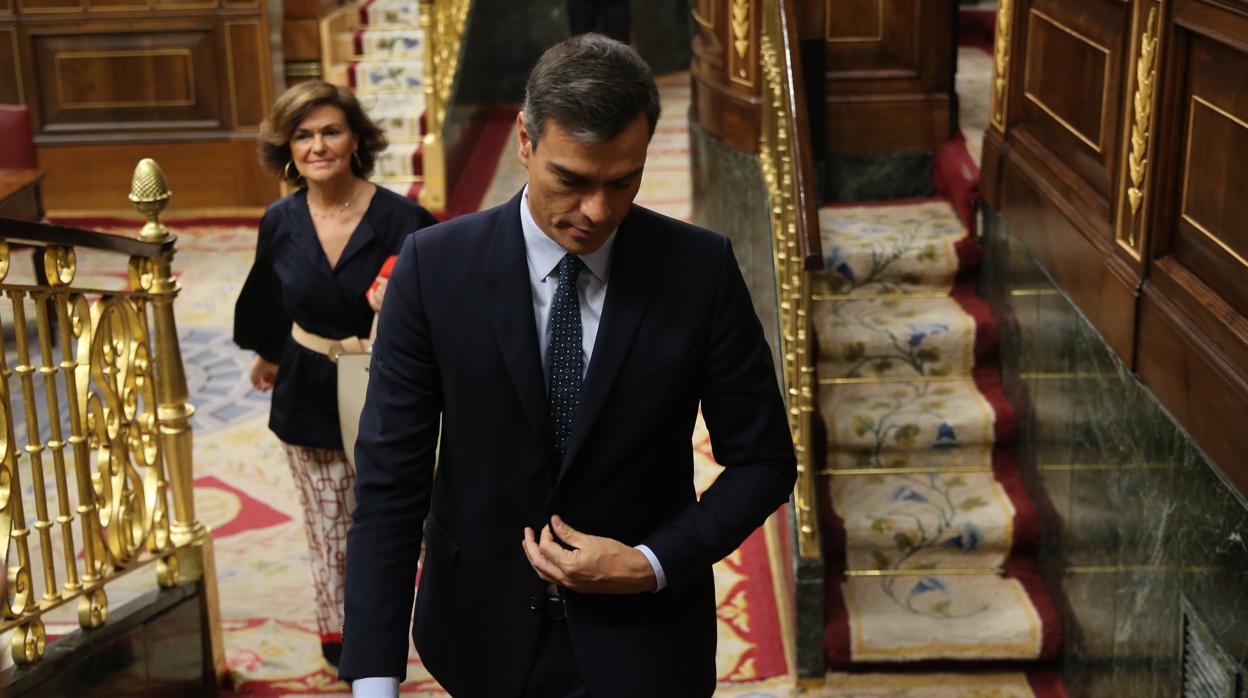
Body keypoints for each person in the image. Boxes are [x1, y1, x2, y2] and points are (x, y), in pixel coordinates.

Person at [341, 35, 796, 698]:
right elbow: (389, 487)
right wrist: (375, 682)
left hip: (648, 645)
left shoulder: (699, 271)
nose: (598, 212)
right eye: (572, 180)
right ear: (525, 140)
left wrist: (651, 562)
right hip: (479, 638)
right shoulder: (433, 270)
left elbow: (764, 462)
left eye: (623, 182)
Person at [234, 79, 438, 668]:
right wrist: (269, 355)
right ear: (288, 148)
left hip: (391, 387)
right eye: (303, 135)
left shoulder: (405, 218)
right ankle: (340, 636)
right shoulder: (280, 220)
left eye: (330, 131)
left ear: (355, 141)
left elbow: (445, 308)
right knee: (328, 526)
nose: (317, 146)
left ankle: (432, 623)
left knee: (409, 515)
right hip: (308, 389)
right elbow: (267, 297)